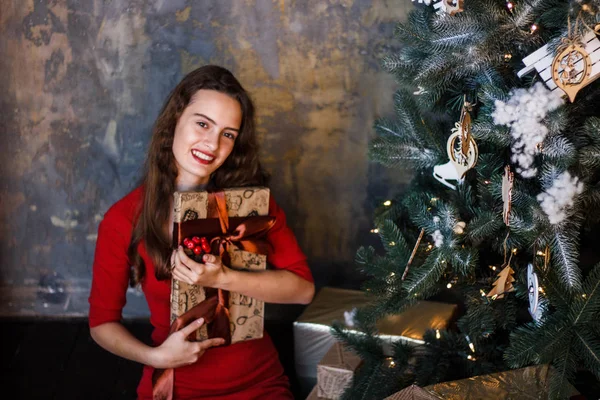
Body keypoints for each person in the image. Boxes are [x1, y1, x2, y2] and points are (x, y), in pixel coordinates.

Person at [88, 65, 315, 399]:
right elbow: (100, 325)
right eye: (202, 123)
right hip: (176, 384)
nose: (212, 143)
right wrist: (155, 356)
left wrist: (223, 278)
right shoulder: (124, 218)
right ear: (175, 120)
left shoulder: (253, 206)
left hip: (258, 383)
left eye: (228, 133)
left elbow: (303, 291)